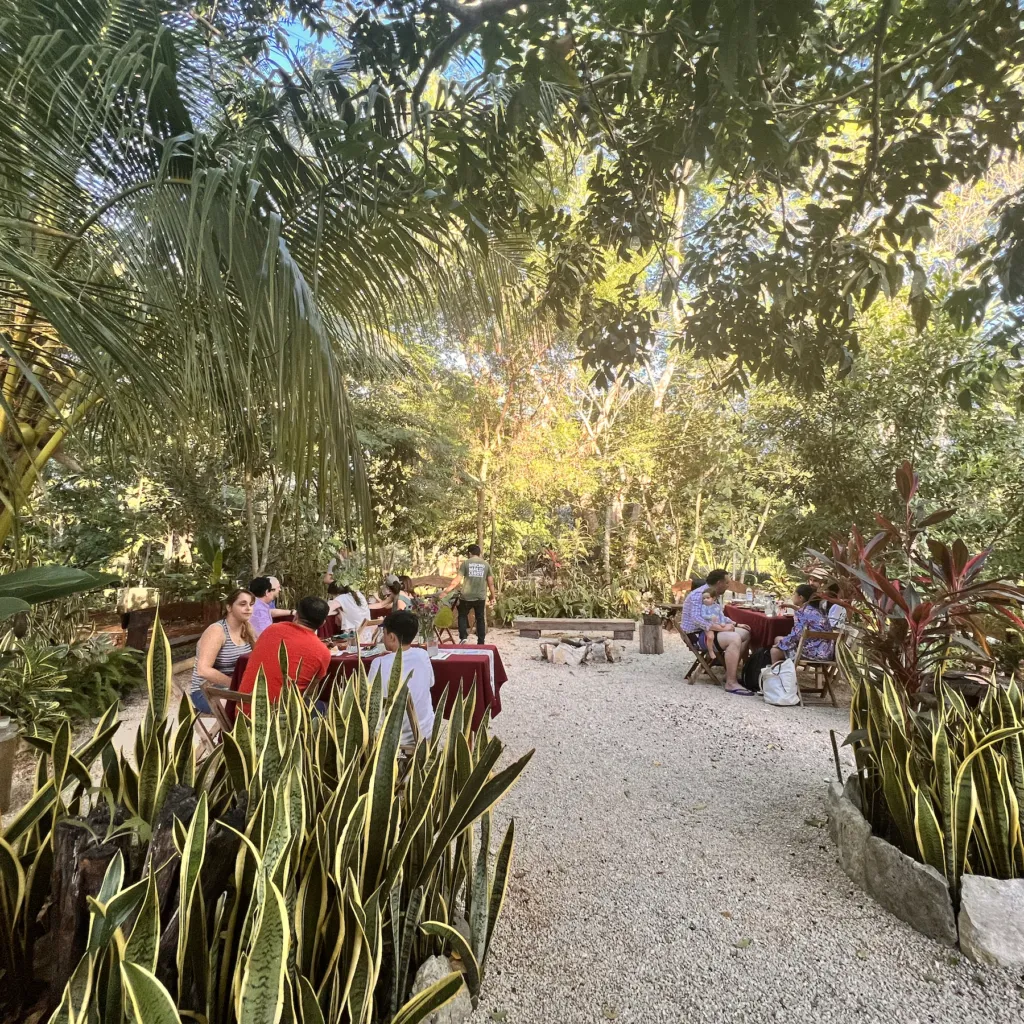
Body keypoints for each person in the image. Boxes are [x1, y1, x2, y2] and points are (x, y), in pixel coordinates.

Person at [239, 595, 332, 703]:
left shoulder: (271, 630)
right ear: (323, 623)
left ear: (296, 615)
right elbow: (310, 692)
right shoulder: (323, 651)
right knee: (327, 706)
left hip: (244, 710)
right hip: (286, 716)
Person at [368, 610, 435, 748]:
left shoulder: (378, 663)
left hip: (392, 736)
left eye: (384, 634)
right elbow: (431, 683)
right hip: (425, 730)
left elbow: (368, 702)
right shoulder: (423, 655)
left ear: (392, 637)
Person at [680, 568, 752, 695]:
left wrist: (736, 624)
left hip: (707, 632)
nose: (728, 586)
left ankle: (730, 673)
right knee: (734, 638)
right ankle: (731, 682)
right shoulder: (700, 594)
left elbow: (719, 616)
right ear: (719, 583)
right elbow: (697, 620)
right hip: (696, 635)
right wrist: (722, 628)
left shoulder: (713, 594)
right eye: (727, 583)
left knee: (745, 633)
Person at [190, 589, 256, 713]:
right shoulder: (217, 631)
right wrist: (235, 685)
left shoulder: (247, 628)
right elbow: (203, 670)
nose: (248, 608)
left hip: (234, 690)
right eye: (243, 604)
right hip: (207, 692)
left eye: (251, 604)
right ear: (229, 607)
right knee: (247, 709)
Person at [442, 544, 496, 644]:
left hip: (466, 596)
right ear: (479, 553)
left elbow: (456, 581)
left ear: (469, 553)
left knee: (462, 615)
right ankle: (481, 641)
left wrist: (445, 592)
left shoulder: (466, 563)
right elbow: (491, 582)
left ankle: (463, 638)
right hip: (480, 596)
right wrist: (493, 596)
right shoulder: (486, 564)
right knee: (480, 618)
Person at [772, 584, 835, 663]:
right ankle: (785, 670)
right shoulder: (818, 610)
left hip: (813, 653)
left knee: (774, 651)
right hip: (827, 652)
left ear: (800, 598)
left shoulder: (802, 613)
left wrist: (779, 645)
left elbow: (796, 635)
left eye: (794, 594)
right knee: (778, 639)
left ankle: (778, 674)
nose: (793, 596)